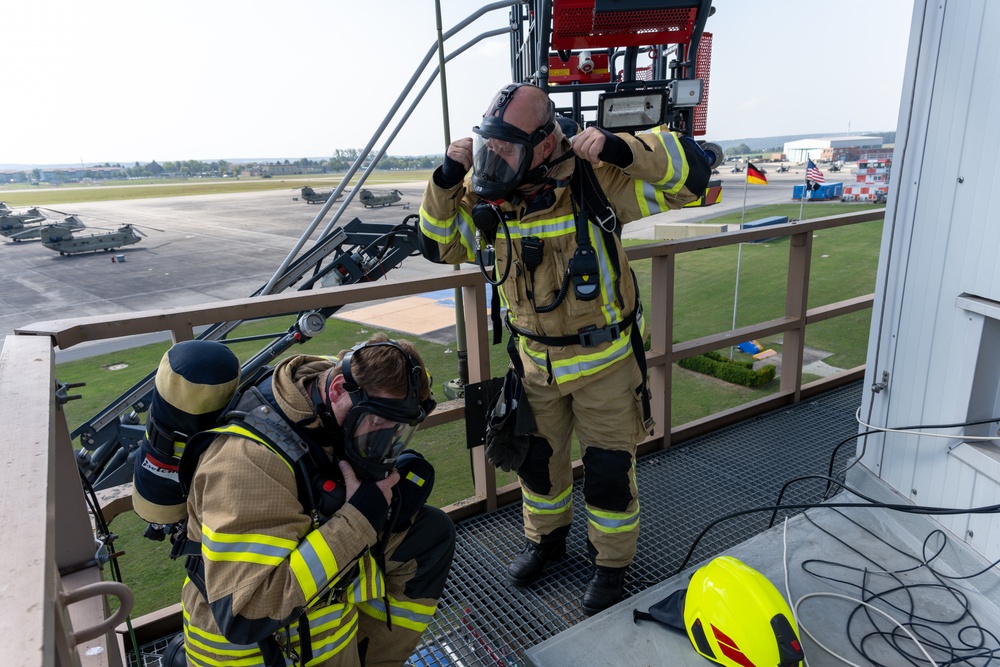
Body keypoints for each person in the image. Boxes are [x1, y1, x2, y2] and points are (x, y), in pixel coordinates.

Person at [417, 83, 710, 614]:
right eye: (490, 143)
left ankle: (611, 566)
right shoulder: (489, 197)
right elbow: (439, 244)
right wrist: (443, 179)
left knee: (607, 476)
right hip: (534, 366)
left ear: (547, 143)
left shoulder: (597, 180)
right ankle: (545, 542)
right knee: (539, 468)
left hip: (605, 366)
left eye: (507, 146)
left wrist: (620, 147)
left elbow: (692, 175)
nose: (493, 157)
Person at [179, 333, 456, 666]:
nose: (383, 440)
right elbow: (246, 613)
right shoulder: (248, 463)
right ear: (338, 389)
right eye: (378, 424)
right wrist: (360, 518)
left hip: (314, 625)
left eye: (396, 431)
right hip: (258, 654)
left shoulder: (321, 390)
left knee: (428, 532)